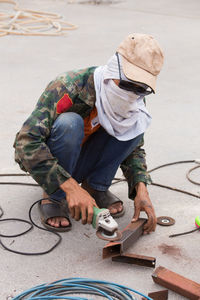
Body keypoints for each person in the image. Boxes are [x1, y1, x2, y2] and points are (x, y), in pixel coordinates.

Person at [14, 33, 164, 234]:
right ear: (114, 70)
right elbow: (25, 143)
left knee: (136, 122)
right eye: (128, 84)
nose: (132, 93)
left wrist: (140, 187)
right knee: (70, 123)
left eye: (141, 89)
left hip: (86, 160)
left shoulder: (134, 101)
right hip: (55, 162)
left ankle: (95, 187)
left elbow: (133, 146)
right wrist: (71, 188)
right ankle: (54, 195)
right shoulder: (69, 85)